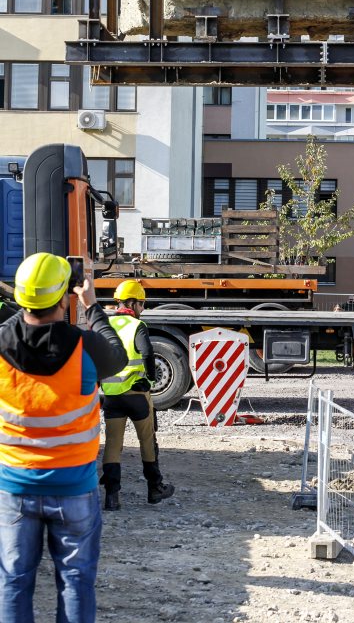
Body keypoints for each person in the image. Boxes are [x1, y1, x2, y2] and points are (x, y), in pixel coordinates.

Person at [0, 252, 126, 623]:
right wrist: (92, 305)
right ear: (64, 297)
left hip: (15, 486)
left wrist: (24, 308)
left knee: (13, 581)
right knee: (75, 580)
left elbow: (14, 329)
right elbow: (116, 356)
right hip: (74, 486)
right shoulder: (86, 347)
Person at [100, 280, 174, 510]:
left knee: (113, 445)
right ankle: (155, 488)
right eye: (141, 303)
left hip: (112, 396)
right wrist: (150, 380)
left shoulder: (106, 325)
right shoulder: (136, 326)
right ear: (132, 303)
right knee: (147, 441)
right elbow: (147, 352)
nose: (142, 308)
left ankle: (112, 497)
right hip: (136, 394)